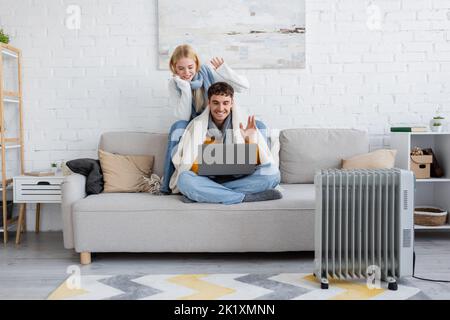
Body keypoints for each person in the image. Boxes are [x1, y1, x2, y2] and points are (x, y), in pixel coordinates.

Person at [160, 44, 267, 194]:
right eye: (181, 69)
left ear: (196, 64)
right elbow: (183, 115)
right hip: (197, 123)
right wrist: (185, 88)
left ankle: (253, 177)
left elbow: (243, 87)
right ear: (174, 67)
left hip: (221, 117)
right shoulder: (175, 84)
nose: (186, 72)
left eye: (190, 67)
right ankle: (168, 184)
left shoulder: (207, 72)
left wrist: (225, 71)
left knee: (259, 126)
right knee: (178, 126)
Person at [170, 82, 282, 205]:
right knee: (184, 180)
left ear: (232, 103)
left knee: (273, 174)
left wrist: (249, 140)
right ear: (209, 103)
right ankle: (244, 198)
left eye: (225, 103)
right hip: (206, 180)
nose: (220, 108)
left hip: (238, 180)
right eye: (216, 103)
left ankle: (207, 195)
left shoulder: (244, 124)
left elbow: (261, 162)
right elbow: (187, 162)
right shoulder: (197, 126)